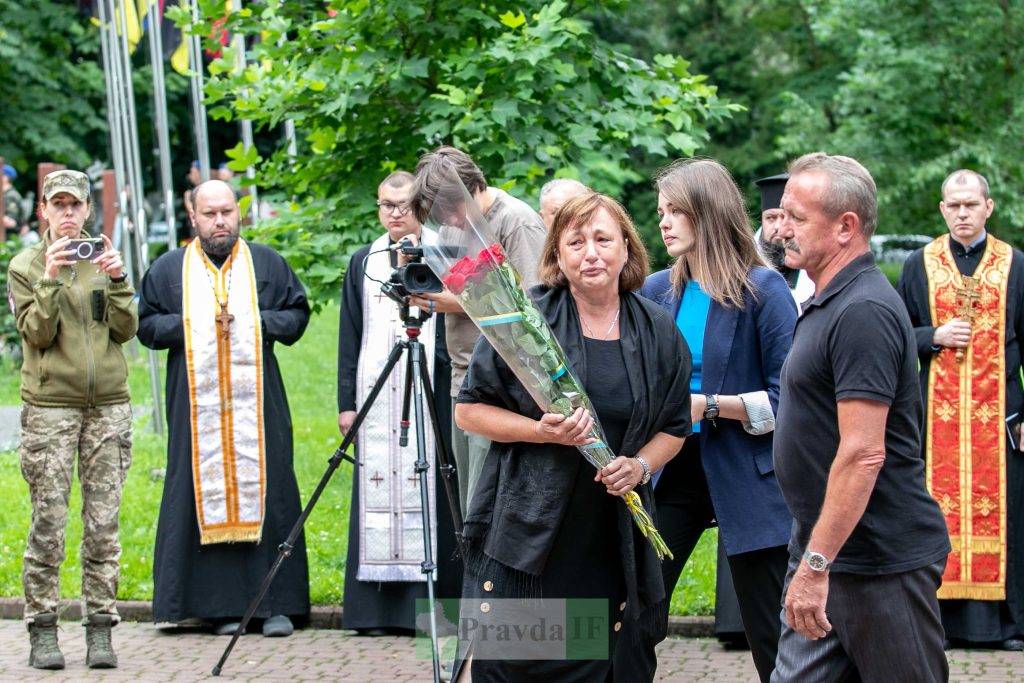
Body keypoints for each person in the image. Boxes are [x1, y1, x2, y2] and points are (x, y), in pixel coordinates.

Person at [452, 192, 692, 679]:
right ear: (557, 255)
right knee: (518, 668)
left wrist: (641, 465)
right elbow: (469, 411)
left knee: (597, 664)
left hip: (610, 539)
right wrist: (539, 431)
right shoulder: (522, 323)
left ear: (626, 247)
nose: (591, 252)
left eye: (603, 239)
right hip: (529, 533)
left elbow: (674, 426)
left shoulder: (658, 329)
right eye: (575, 241)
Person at [614, 159, 796, 682]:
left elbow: (790, 404)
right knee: (634, 612)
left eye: (675, 211)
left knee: (771, 627)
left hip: (747, 469)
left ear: (708, 213)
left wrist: (712, 405)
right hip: (670, 468)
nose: (663, 223)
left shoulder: (764, 290)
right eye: (661, 212)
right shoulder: (653, 292)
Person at [771, 153, 951, 681]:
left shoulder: (863, 310)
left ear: (846, 226)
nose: (781, 230)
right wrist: (814, 557)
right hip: (824, 549)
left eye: (796, 218)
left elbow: (864, 451)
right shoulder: (830, 299)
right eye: (781, 215)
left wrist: (817, 565)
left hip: (875, 563)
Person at [137, 179, 311, 637]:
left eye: (227, 212)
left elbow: (297, 316)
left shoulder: (267, 264)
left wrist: (255, 323)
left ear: (240, 213)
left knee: (271, 486)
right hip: (195, 405)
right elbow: (146, 325)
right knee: (200, 484)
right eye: (210, 213)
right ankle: (219, 607)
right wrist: (192, 325)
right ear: (193, 217)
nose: (220, 221)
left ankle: (276, 603)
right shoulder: (169, 269)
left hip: (260, 404)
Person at [7, 170, 136, 670]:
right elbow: (37, 334)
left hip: (108, 405)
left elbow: (126, 329)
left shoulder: (102, 258)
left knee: (103, 525)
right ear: (43, 210)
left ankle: (100, 629)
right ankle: (43, 629)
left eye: (74, 205)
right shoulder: (26, 265)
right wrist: (51, 279)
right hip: (51, 409)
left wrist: (120, 280)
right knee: (49, 522)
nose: (66, 214)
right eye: (57, 205)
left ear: (87, 210)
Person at [896, 169, 1024, 651]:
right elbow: (896, 337)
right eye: (954, 205)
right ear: (943, 208)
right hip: (937, 420)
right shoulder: (918, 264)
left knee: (1007, 515)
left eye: (971, 204)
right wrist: (933, 337)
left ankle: (1006, 625)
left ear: (988, 208)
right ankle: (939, 624)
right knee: (935, 513)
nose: (963, 213)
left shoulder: (1016, 265)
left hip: (1002, 419)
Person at [337, 171, 462, 634]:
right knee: (376, 486)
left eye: (403, 205)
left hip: (433, 392)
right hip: (378, 396)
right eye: (385, 205)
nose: (394, 214)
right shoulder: (362, 260)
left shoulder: (447, 251)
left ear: (421, 206)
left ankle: (434, 608)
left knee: (435, 483)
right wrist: (347, 403)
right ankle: (375, 612)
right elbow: (349, 333)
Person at [410, 146, 546, 516]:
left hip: (503, 385)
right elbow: (464, 289)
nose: (449, 222)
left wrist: (445, 301)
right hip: (464, 378)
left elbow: (535, 307)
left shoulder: (515, 220)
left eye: (450, 211)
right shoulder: (458, 227)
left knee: (490, 505)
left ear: (470, 187)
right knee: (471, 503)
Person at [755, 172, 814, 309]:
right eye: (770, 218)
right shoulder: (744, 262)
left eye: (783, 217)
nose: (778, 227)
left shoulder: (812, 262)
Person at [3, 163, 26, 240]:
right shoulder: (5, 194)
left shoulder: (11, 196)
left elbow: (11, 222)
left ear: (5, 178)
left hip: (10, 240)